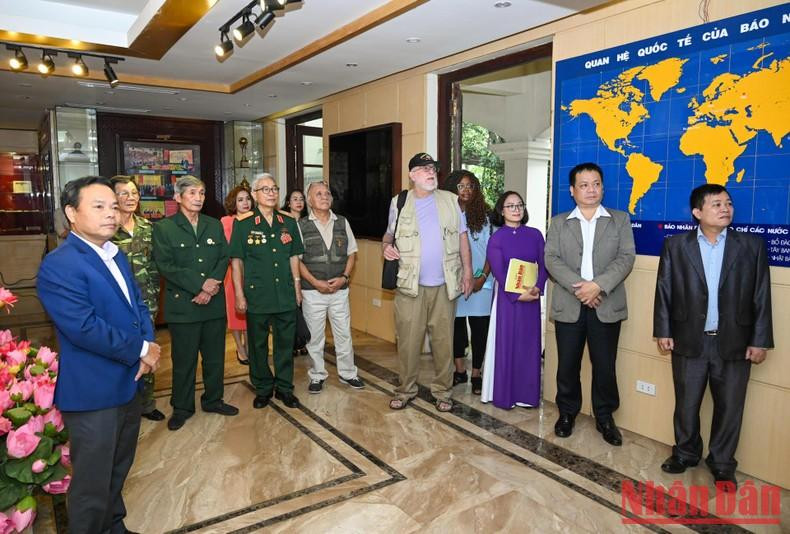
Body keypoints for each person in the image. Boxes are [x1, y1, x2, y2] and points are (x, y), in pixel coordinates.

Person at [37, 176, 161, 534]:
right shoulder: (60, 264)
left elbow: (138, 306)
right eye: (99, 206)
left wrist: (148, 346)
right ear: (71, 214)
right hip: (94, 391)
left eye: (113, 205)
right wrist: (140, 349)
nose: (112, 213)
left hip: (129, 381)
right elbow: (84, 327)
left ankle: (115, 528)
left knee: (118, 469)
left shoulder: (115, 253)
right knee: (91, 484)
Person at [654, 184, 773, 489]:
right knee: (686, 403)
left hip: (734, 340)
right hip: (688, 338)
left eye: (728, 203)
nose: (725, 209)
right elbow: (664, 290)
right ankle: (685, 453)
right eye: (716, 204)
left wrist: (759, 339)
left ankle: (722, 463)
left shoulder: (750, 246)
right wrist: (663, 331)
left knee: (731, 406)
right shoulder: (676, 245)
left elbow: (762, 295)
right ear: (697, 212)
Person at [544, 162, 635, 446]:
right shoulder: (559, 222)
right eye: (584, 185)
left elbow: (626, 257)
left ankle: (605, 417)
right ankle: (567, 413)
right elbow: (552, 259)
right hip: (570, 303)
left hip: (606, 303)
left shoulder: (619, 219)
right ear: (573, 191)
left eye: (596, 184)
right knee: (567, 363)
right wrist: (582, 289)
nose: (591, 190)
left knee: (605, 364)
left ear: (602, 187)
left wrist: (598, 286)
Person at [382, 152, 473, 412]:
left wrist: (467, 272)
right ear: (412, 175)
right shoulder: (399, 202)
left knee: (444, 342)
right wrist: (386, 248)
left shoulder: (452, 201)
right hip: (410, 286)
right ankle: (405, 390)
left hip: (445, 284)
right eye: (423, 169)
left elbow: (463, 239)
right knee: (408, 342)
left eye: (433, 168)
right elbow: (389, 235)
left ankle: (443, 392)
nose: (431, 172)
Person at [153, 175, 239, 431]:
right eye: (192, 193)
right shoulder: (164, 228)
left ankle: (213, 399)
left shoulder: (213, 226)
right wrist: (199, 286)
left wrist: (211, 285)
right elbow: (166, 265)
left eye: (201, 193)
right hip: (184, 305)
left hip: (212, 304)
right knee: (184, 360)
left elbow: (223, 256)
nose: (198, 198)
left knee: (214, 358)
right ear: (178, 198)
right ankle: (182, 407)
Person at [230, 173, 304, 409]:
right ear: (254, 194)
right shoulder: (243, 224)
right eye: (266, 189)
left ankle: (284, 388)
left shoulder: (288, 222)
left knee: (285, 345)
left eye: (274, 188)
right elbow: (236, 263)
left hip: (284, 293)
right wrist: (240, 294)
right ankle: (262, 388)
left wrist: (297, 285)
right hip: (257, 295)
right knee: (258, 345)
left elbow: (294, 256)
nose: (271, 193)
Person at [297, 181, 365, 394]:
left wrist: (344, 277)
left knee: (343, 334)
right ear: (309, 200)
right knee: (315, 337)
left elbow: (352, 254)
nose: (324, 196)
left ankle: (348, 373)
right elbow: (296, 260)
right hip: (312, 292)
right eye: (318, 194)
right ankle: (317, 375)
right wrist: (315, 282)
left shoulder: (342, 222)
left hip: (339, 291)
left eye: (327, 193)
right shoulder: (301, 225)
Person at [483, 191, 548, 409]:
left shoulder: (535, 234)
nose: (516, 209)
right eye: (510, 206)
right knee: (508, 345)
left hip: (532, 299)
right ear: (501, 211)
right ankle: (506, 395)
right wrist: (517, 295)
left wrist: (537, 288)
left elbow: (544, 264)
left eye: (519, 204)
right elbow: (499, 273)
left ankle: (527, 396)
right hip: (507, 302)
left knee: (528, 347)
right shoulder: (496, 238)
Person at [110, 175, 164, 422]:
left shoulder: (148, 228)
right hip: (115, 306)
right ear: (113, 198)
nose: (130, 197)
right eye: (124, 193)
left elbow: (156, 265)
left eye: (134, 193)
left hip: (146, 303)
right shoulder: (106, 231)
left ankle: (147, 402)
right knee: (119, 351)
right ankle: (121, 401)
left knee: (148, 349)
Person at [441, 170, 493, 395]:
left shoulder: (488, 216)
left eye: (470, 186)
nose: (466, 190)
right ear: (452, 189)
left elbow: (493, 251)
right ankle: (460, 370)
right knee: (457, 328)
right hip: (454, 282)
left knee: (480, 328)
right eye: (461, 186)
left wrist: (481, 277)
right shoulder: (445, 215)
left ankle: (477, 372)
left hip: (482, 282)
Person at [221, 185, 253, 366]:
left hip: (253, 273)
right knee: (235, 312)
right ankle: (240, 348)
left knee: (251, 314)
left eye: (248, 199)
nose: (245, 203)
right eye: (240, 200)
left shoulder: (257, 220)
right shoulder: (226, 222)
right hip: (233, 272)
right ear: (233, 203)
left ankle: (249, 347)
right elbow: (227, 249)